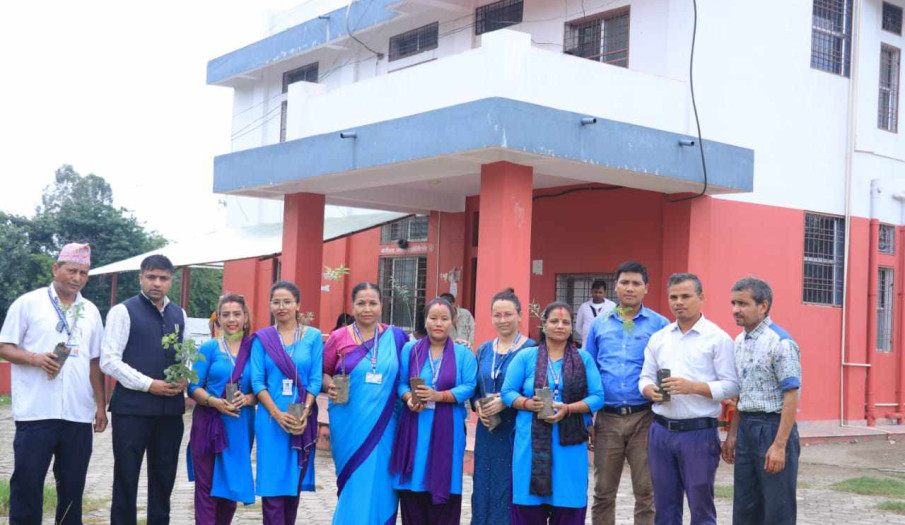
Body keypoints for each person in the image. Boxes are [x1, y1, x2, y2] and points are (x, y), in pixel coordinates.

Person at [0, 243, 107, 525]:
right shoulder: (28, 303)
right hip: (36, 411)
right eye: (72, 270)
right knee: (27, 482)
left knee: (73, 486)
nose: (77, 278)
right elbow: (4, 346)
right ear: (55, 268)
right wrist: (34, 358)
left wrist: (100, 405)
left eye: (84, 273)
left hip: (77, 412)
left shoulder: (91, 311)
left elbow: (95, 361)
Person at [639, 273, 739, 525]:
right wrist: (648, 390)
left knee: (700, 505)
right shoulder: (659, 338)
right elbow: (645, 377)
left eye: (686, 296)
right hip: (661, 431)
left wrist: (694, 387)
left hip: (698, 432)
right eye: (673, 297)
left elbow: (732, 385)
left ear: (701, 297)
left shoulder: (717, 338)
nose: (679, 302)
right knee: (664, 506)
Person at [101, 254, 188, 525]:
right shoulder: (122, 311)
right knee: (126, 477)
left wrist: (185, 377)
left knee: (164, 478)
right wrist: (149, 384)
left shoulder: (179, 314)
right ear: (141, 278)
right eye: (151, 277)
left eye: (163, 278)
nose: (157, 283)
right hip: (132, 411)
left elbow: (184, 356)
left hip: (170, 412)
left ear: (171, 281)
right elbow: (109, 360)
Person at [501, 301, 604, 524]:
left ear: (572, 327)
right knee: (528, 510)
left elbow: (598, 397)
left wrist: (569, 408)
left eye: (566, 322)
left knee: (568, 505)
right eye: (554, 321)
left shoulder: (584, 358)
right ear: (544, 325)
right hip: (530, 445)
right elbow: (507, 392)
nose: (560, 326)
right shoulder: (526, 357)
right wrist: (528, 403)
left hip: (569, 447)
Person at [584, 260, 669, 525]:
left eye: (636, 283)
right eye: (624, 283)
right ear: (616, 286)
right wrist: (588, 419)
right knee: (603, 492)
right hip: (607, 418)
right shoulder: (599, 325)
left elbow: (668, 368)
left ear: (646, 288)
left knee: (646, 491)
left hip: (645, 418)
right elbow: (588, 371)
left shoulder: (660, 325)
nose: (630, 288)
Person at [321, 282, 409, 524]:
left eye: (373, 303)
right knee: (354, 481)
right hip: (349, 422)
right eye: (361, 303)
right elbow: (322, 373)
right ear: (353, 307)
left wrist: (458, 344)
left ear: (381, 305)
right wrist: (330, 385)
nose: (367, 309)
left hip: (386, 425)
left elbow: (418, 360)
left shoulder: (397, 337)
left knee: (382, 485)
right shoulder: (338, 337)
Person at [390, 297, 478, 524]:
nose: (438, 323)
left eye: (444, 319)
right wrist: (409, 398)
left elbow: (469, 386)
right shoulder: (410, 350)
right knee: (414, 486)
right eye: (433, 318)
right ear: (425, 320)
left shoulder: (463, 354)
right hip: (415, 426)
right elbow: (401, 383)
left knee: (445, 483)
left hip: (449, 430)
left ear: (453, 321)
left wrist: (440, 396)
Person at [723, 277, 801, 525]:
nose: (736, 310)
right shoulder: (738, 342)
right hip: (746, 428)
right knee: (745, 507)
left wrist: (779, 445)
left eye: (743, 304)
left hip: (773, 428)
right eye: (733, 303)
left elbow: (791, 395)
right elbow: (742, 393)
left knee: (777, 508)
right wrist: (732, 434)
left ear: (763, 305)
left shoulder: (781, 343)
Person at [250, 281, 323, 525]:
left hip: (300, 417)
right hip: (270, 420)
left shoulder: (312, 336)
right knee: (272, 487)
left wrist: (306, 411)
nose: (281, 307)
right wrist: (276, 413)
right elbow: (257, 381)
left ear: (298, 305)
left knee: (293, 485)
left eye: (287, 302)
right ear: (270, 305)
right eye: (276, 302)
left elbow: (315, 379)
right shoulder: (262, 339)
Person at [187, 293, 257, 524]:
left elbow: (263, 388)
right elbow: (193, 386)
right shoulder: (209, 348)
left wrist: (248, 399)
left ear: (245, 318)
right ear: (218, 319)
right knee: (206, 488)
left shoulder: (256, 349)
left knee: (230, 488)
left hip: (239, 424)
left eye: (237, 314)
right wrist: (214, 401)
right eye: (225, 315)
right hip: (209, 422)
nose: (231, 319)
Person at [471, 288, 536, 525]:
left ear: (520, 315)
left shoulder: (531, 349)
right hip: (487, 429)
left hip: (516, 429)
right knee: (483, 484)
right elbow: (475, 388)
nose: (503, 320)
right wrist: (478, 405)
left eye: (508, 314)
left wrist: (507, 401)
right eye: (497, 315)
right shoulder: (483, 350)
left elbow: (535, 389)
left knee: (510, 485)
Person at [575, 279, 616, 346]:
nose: (597, 295)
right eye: (595, 292)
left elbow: (615, 324)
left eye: (600, 292)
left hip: (606, 343)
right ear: (591, 291)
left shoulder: (612, 306)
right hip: (587, 344)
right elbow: (578, 327)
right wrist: (587, 334)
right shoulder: (584, 306)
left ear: (605, 292)